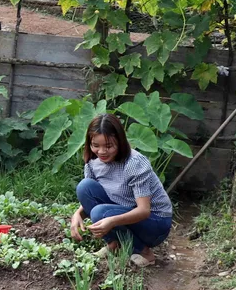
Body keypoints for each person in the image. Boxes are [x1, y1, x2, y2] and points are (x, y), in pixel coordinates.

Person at [70, 113, 173, 268]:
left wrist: (111, 221)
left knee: (100, 213)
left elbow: (144, 210)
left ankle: (144, 251)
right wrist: (77, 214)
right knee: (85, 187)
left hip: (155, 222)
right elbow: (91, 197)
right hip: (124, 212)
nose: (102, 151)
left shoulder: (134, 163)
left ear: (120, 142)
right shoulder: (92, 162)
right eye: (96, 145)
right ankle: (115, 244)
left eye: (109, 146)